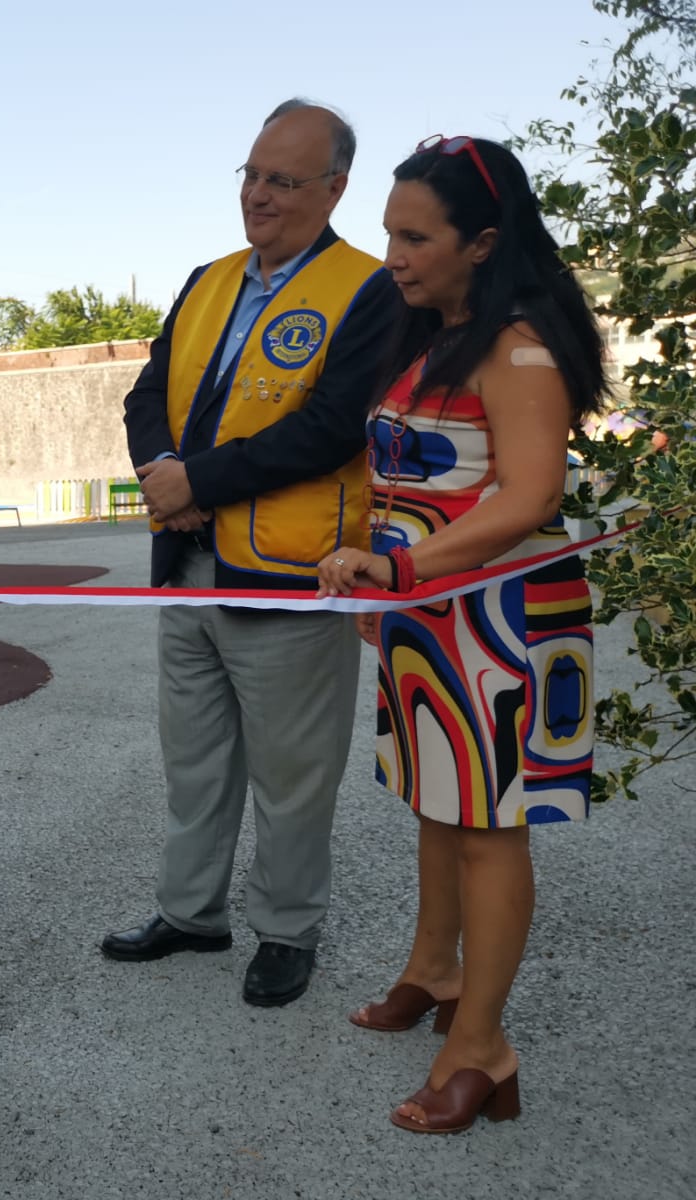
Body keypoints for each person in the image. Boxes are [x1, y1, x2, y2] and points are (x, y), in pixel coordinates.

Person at [317, 136, 605, 1133]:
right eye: (389, 231)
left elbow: (528, 496)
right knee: (436, 805)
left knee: (487, 828)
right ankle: (433, 971)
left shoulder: (515, 346)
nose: (390, 253)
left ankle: (482, 1042)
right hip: (426, 612)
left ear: (481, 244)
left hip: (501, 618)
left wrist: (399, 568)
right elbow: (402, 476)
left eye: (413, 236)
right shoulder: (426, 335)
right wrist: (376, 577)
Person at [106, 99, 399, 1007]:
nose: (258, 196)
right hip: (187, 571)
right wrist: (163, 470)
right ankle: (193, 913)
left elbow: (331, 427)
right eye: (250, 174)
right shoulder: (208, 278)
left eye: (282, 179)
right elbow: (146, 394)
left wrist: (202, 484)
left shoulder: (371, 290)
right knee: (192, 759)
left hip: (291, 576)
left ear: (334, 188)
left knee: (293, 773)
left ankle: (287, 928)